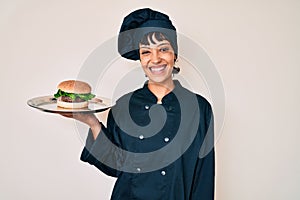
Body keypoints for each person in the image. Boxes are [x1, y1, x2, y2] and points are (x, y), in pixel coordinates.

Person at [65, 8, 215, 200]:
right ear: (141, 59)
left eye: (163, 49)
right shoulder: (123, 106)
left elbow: (204, 176)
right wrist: (92, 122)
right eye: (146, 52)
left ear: (174, 54)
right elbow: (116, 164)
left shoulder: (199, 108)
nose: (155, 59)